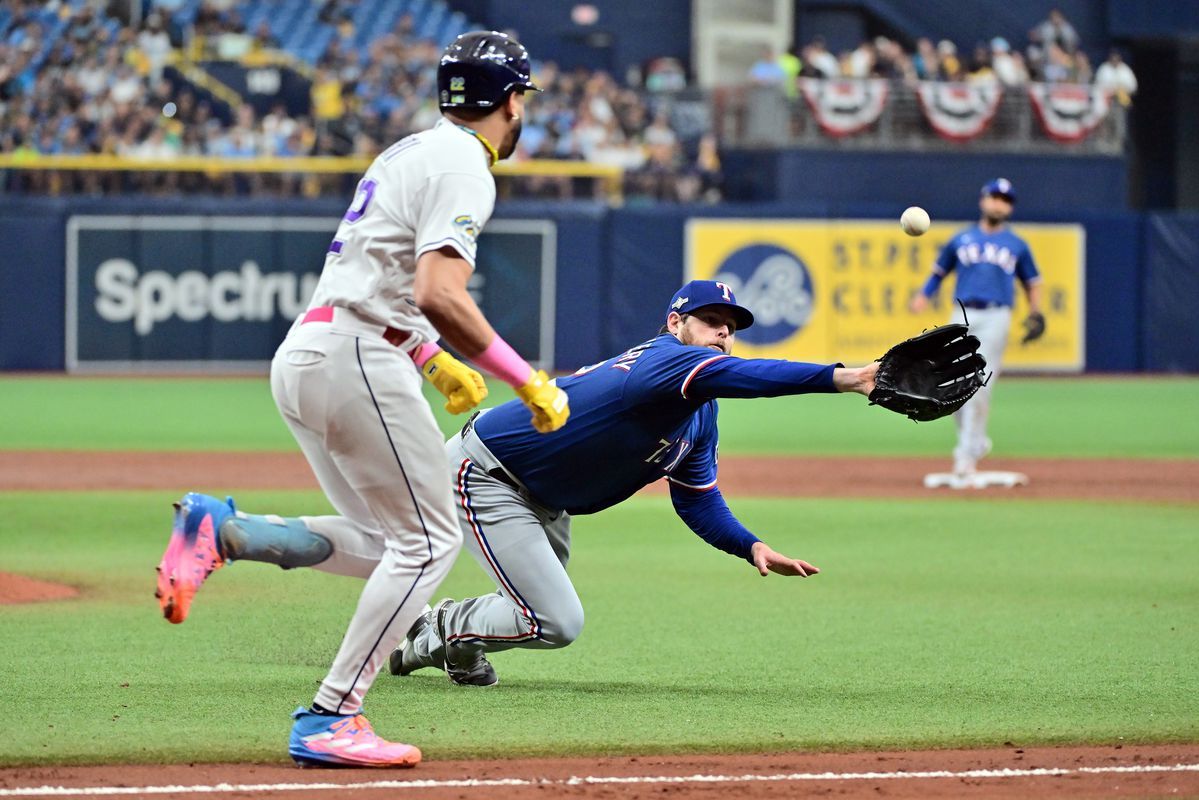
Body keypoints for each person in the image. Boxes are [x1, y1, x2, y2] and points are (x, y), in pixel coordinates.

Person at [153, 30, 569, 768]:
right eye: (521, 101)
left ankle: (228, 531)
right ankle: (331, 714)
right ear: (511, 100)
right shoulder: (467, 165)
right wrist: (523, 377)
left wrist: (431, 360)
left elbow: (377, 283)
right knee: (432, 542)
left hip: (310, 351)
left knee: (385, 542)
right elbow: (437, 292)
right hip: (358, 359)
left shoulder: (406, 152)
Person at [387, 280, 880, 686]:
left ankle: (453, 644)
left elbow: (697, 500)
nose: (723, 333)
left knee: (532, 608)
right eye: (711, 321)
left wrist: (749, 545)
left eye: (730, 329)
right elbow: (752, 377)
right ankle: (444, 628)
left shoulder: (700, 414)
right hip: (489, 472)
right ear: (675, 323)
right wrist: (845, 377)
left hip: (543, 494)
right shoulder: (663, 361)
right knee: (555, 620)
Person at [908, 178, 1044, 482]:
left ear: (1009, 208)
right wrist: (922, 295)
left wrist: (1036, 314)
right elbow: (938, 272)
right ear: (983, 200)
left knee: (979, 382)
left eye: (1005, 200)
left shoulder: (1017, 245)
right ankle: (976, 443)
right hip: (963, 313)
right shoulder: (961, 239)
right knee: (954, 383)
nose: (998, 203)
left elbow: (1033, 282)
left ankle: (965, 457)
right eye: (994, 197)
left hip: (997, 315)